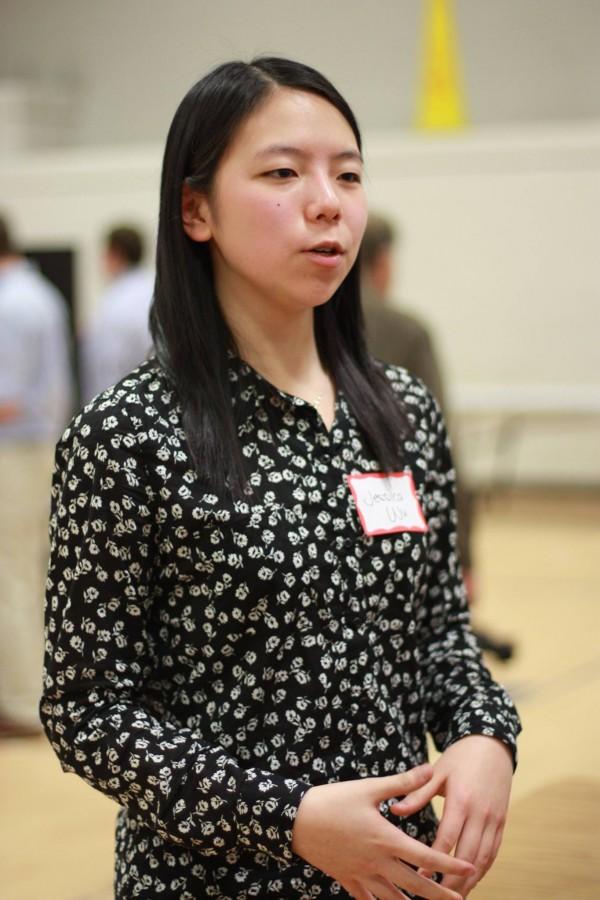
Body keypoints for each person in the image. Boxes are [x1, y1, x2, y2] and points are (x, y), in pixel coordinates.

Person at [40, 58, 521, 899]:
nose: (327, 201)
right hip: (212, 880)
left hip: (399, 876)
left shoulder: (398, 410)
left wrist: (484, 735)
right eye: (282, 172)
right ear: (195, 210)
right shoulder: (128, 436)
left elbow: (439, 628)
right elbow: (88, 710)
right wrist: (285, 816)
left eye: (348, 174)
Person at [362, 214, 514, 662]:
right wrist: (462, 555)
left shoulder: (294, 318)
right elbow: (442, 451)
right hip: (394, 522)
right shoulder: (404, 330)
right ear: (384, 262)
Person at [0, 214, 72, 737]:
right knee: (25, 572)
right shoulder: (35, 293)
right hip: (32, 446)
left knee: (12, 576)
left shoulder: (11, 303)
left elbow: (7, 398)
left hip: (16, 449)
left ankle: (25, 702)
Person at [81, 224, 154, 402]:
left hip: (122, 405)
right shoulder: (159, 287)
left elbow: (107, 366)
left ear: (114, 254)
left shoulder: (113, 303)